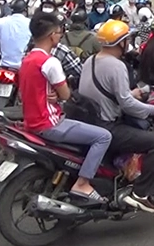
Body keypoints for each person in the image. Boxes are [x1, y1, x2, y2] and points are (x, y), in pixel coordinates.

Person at [78, 20, 154, 212]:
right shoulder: (117, 66)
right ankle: (141, 193)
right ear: (121, 43)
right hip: (107, 126)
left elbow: (106, 92)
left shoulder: (91, 60)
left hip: (89, 121)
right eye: (127, 39)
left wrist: (130, 95)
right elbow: (128, 106)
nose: (129, 42)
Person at [19, 12, 111, 202]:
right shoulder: (50, 62)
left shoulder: (27, 59)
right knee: (104, 136)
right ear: (52, 34)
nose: (60, 36)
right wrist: (59, 94)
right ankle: (83, 183)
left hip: (31, 121)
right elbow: (66, 95)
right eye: (59, 32)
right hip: (50, 123)